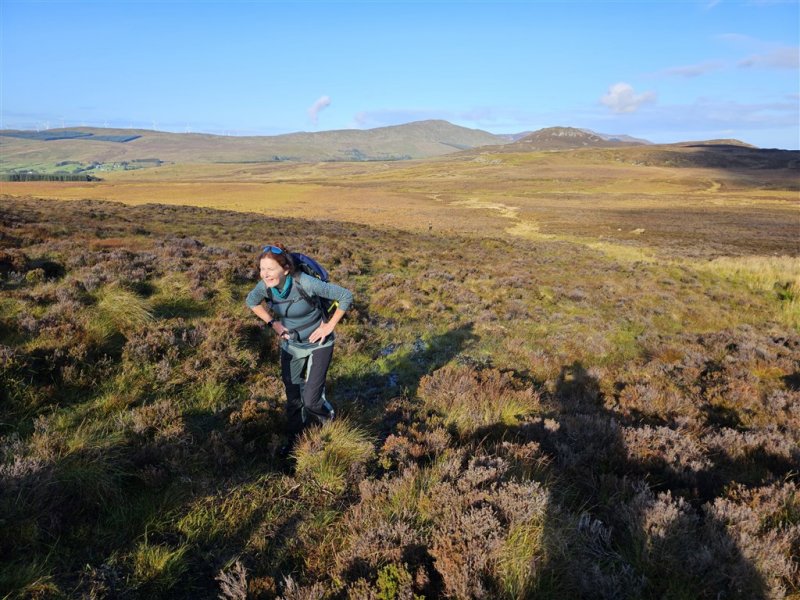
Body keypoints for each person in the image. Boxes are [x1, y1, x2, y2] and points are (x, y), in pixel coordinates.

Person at [246, 243, 353, 451]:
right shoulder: (264, 287)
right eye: (262, 269)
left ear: (286, 269)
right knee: (293, 400)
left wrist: (329, 325)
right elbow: (251, 301)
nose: (265, 274)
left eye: (270, 269)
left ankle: (328, 423)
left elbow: (345, 296)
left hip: (319, 344)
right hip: (291, 345)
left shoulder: (305, 282)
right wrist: (273, 323)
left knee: (312, 400)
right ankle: (296, 441)